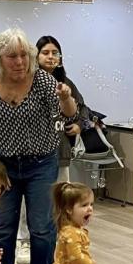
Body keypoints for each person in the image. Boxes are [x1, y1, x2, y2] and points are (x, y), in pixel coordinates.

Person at [0, 28, 79, 264]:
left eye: (24, 55)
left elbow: (70, 113)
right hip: (4, 163)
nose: (20, 61)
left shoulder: (44, 81)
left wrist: (66, 97)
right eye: (12, 56)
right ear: (0, 58)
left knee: (42, 228)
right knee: (3, 229)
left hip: (41, 163)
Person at [36, 35, 92, 182]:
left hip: (60, 150)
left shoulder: (65, 83)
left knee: (60, 197)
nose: (51, 57)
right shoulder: (28, 82)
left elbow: (84, 108)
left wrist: (79, 125)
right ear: (35, 56)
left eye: (55, 53)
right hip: (34, 153)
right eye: (45, 52)